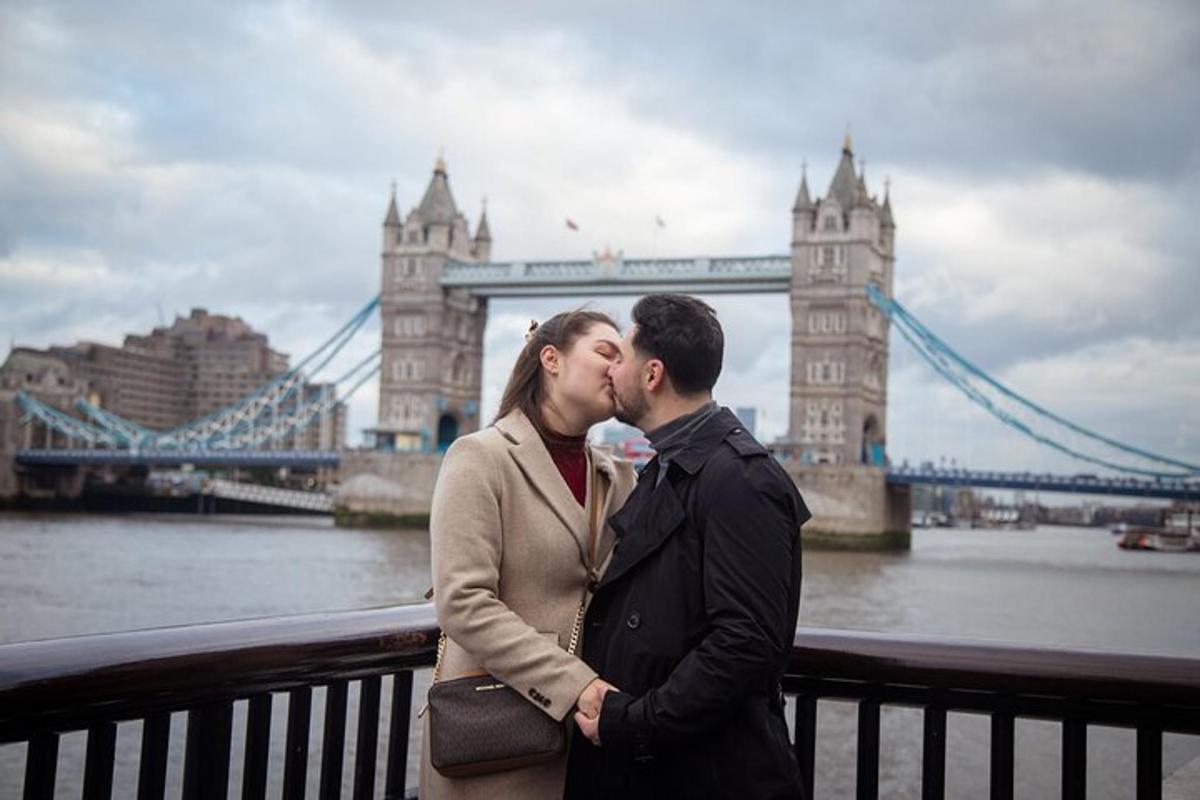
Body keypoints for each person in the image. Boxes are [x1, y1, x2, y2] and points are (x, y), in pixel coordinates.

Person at [565, 294, 812, 800]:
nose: (611, 370)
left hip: (712, 776)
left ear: (652, 374)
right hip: (660, 769)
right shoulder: (667, 469)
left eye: (622, 357)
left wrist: (634, 721)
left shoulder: (741, 480)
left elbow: (745, 643)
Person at [419, 310, 637, 799]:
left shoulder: (620, 478)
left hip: (592, 741)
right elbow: (463, 603)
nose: (618, 368)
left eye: (625, 359)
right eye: (606, 352)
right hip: (497, 739)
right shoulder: (479, 457)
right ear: (551, 359)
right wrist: (575, 683)